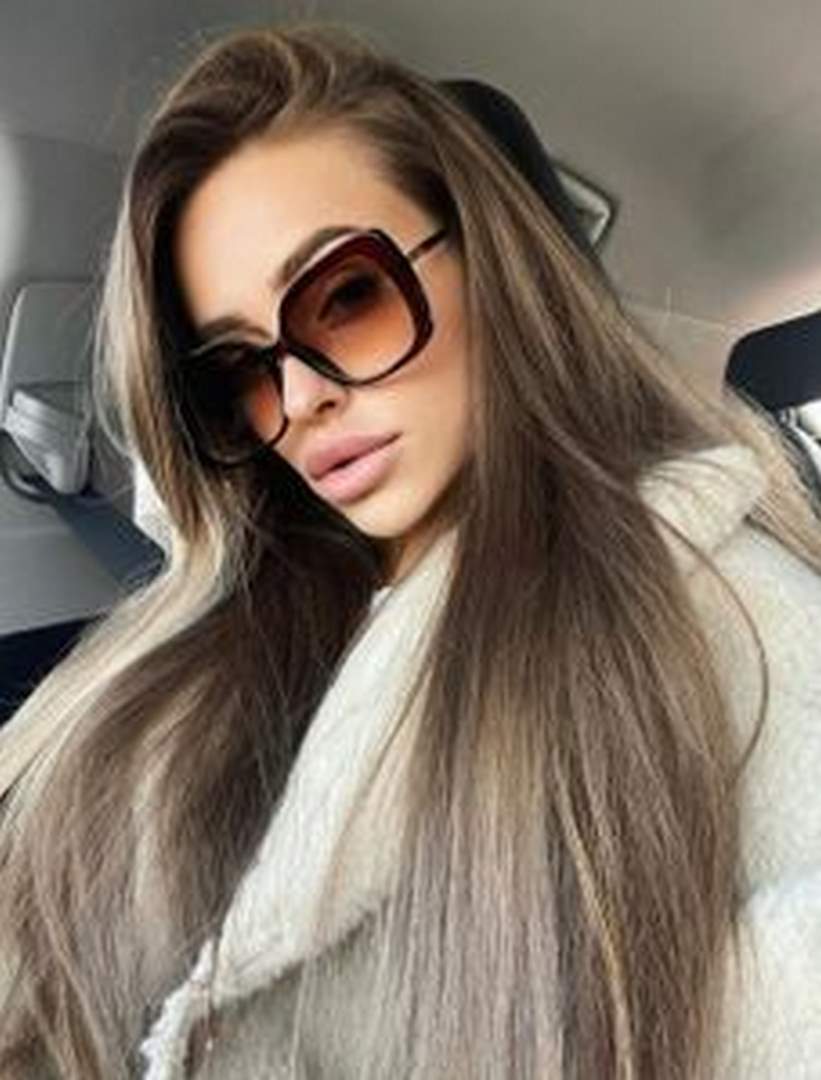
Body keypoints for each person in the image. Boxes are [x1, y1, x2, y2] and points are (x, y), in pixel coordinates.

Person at [0, 22, 819, 1080]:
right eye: (235, 367)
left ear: (491, 262)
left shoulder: (716, 606)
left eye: (346, 295)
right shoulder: (202, 626)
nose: (297, 398)